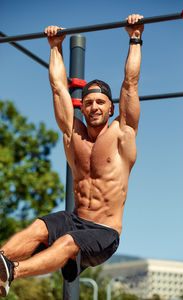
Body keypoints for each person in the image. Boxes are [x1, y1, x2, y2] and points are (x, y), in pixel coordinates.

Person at [0, 14, 144, 297]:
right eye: (88, 102)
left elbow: (130, 83)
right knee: (39, 227)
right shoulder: (72, 135)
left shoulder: (122, 134)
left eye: (100, 102)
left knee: (66, 242)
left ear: (111, 108)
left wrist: (135, 37)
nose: (93, 107)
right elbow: (57, 88)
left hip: (104, 232)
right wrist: (55, 47)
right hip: (75, 218)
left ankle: (11, 272)